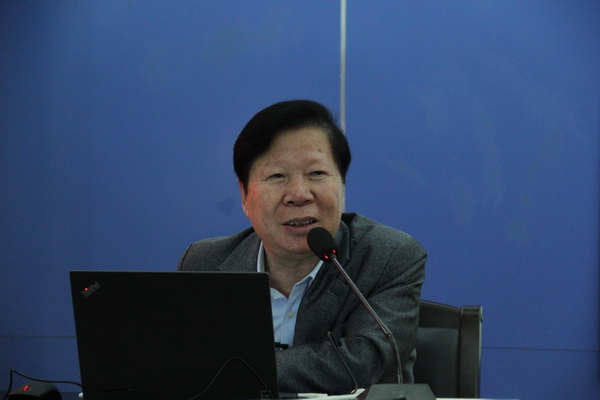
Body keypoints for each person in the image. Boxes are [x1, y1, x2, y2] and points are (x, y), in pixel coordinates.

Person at [178, 99, 426, 394]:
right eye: (276, 176)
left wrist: (237, 369)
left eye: (316, 174)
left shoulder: (388, 256)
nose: (298, 194)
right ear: (244, 195)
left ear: (342, 185)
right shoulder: (205, 263)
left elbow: (365, 364)